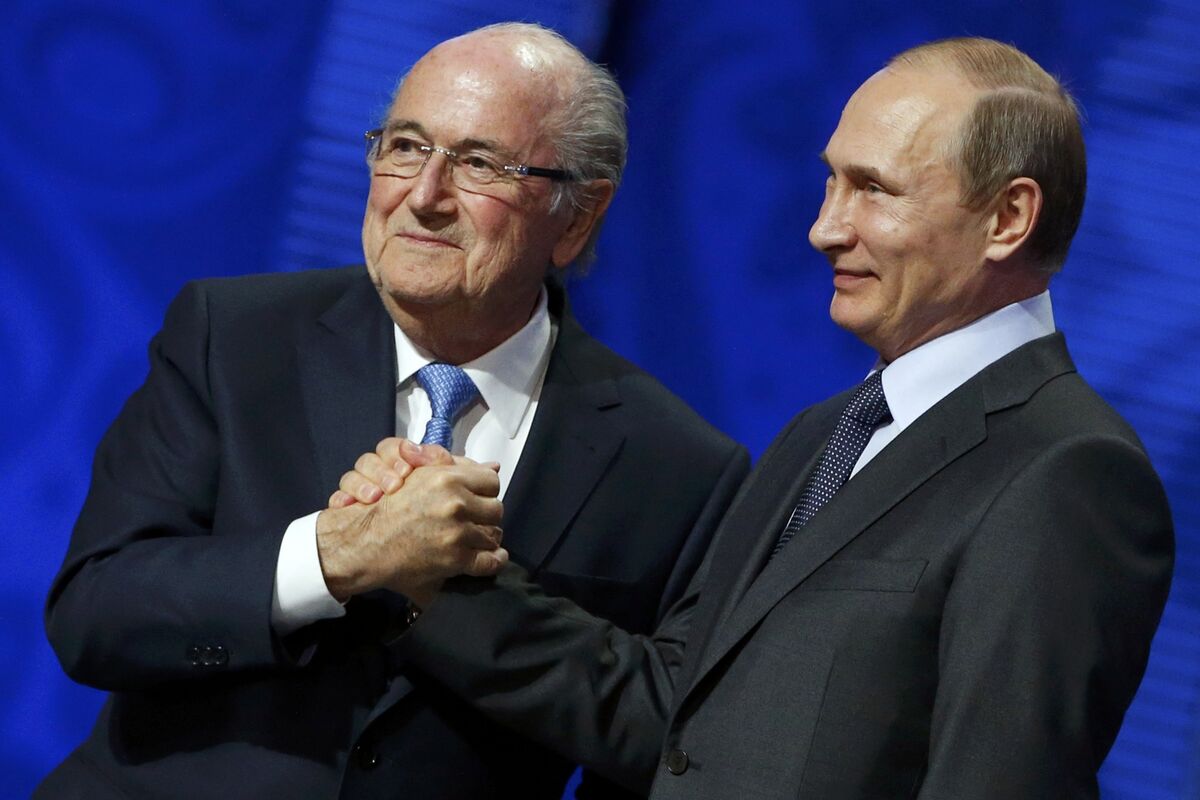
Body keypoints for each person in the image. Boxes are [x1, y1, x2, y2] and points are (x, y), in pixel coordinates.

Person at [342, 37, 1175, 798]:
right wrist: (433, 573)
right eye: (831, 181)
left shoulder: (1067, 470)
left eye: (873, 190)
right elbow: (677, 709)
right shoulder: (826, 432)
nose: (824, 229)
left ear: (1008, 219)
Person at [38, 22, 748, 800]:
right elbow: (96, 614)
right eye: (405, 146)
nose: (423, 196)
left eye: (478, 164)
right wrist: (336, 555)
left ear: (576, 217)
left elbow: (664, 736)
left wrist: (446, 586)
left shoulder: (675, 463)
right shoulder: (232, 337)